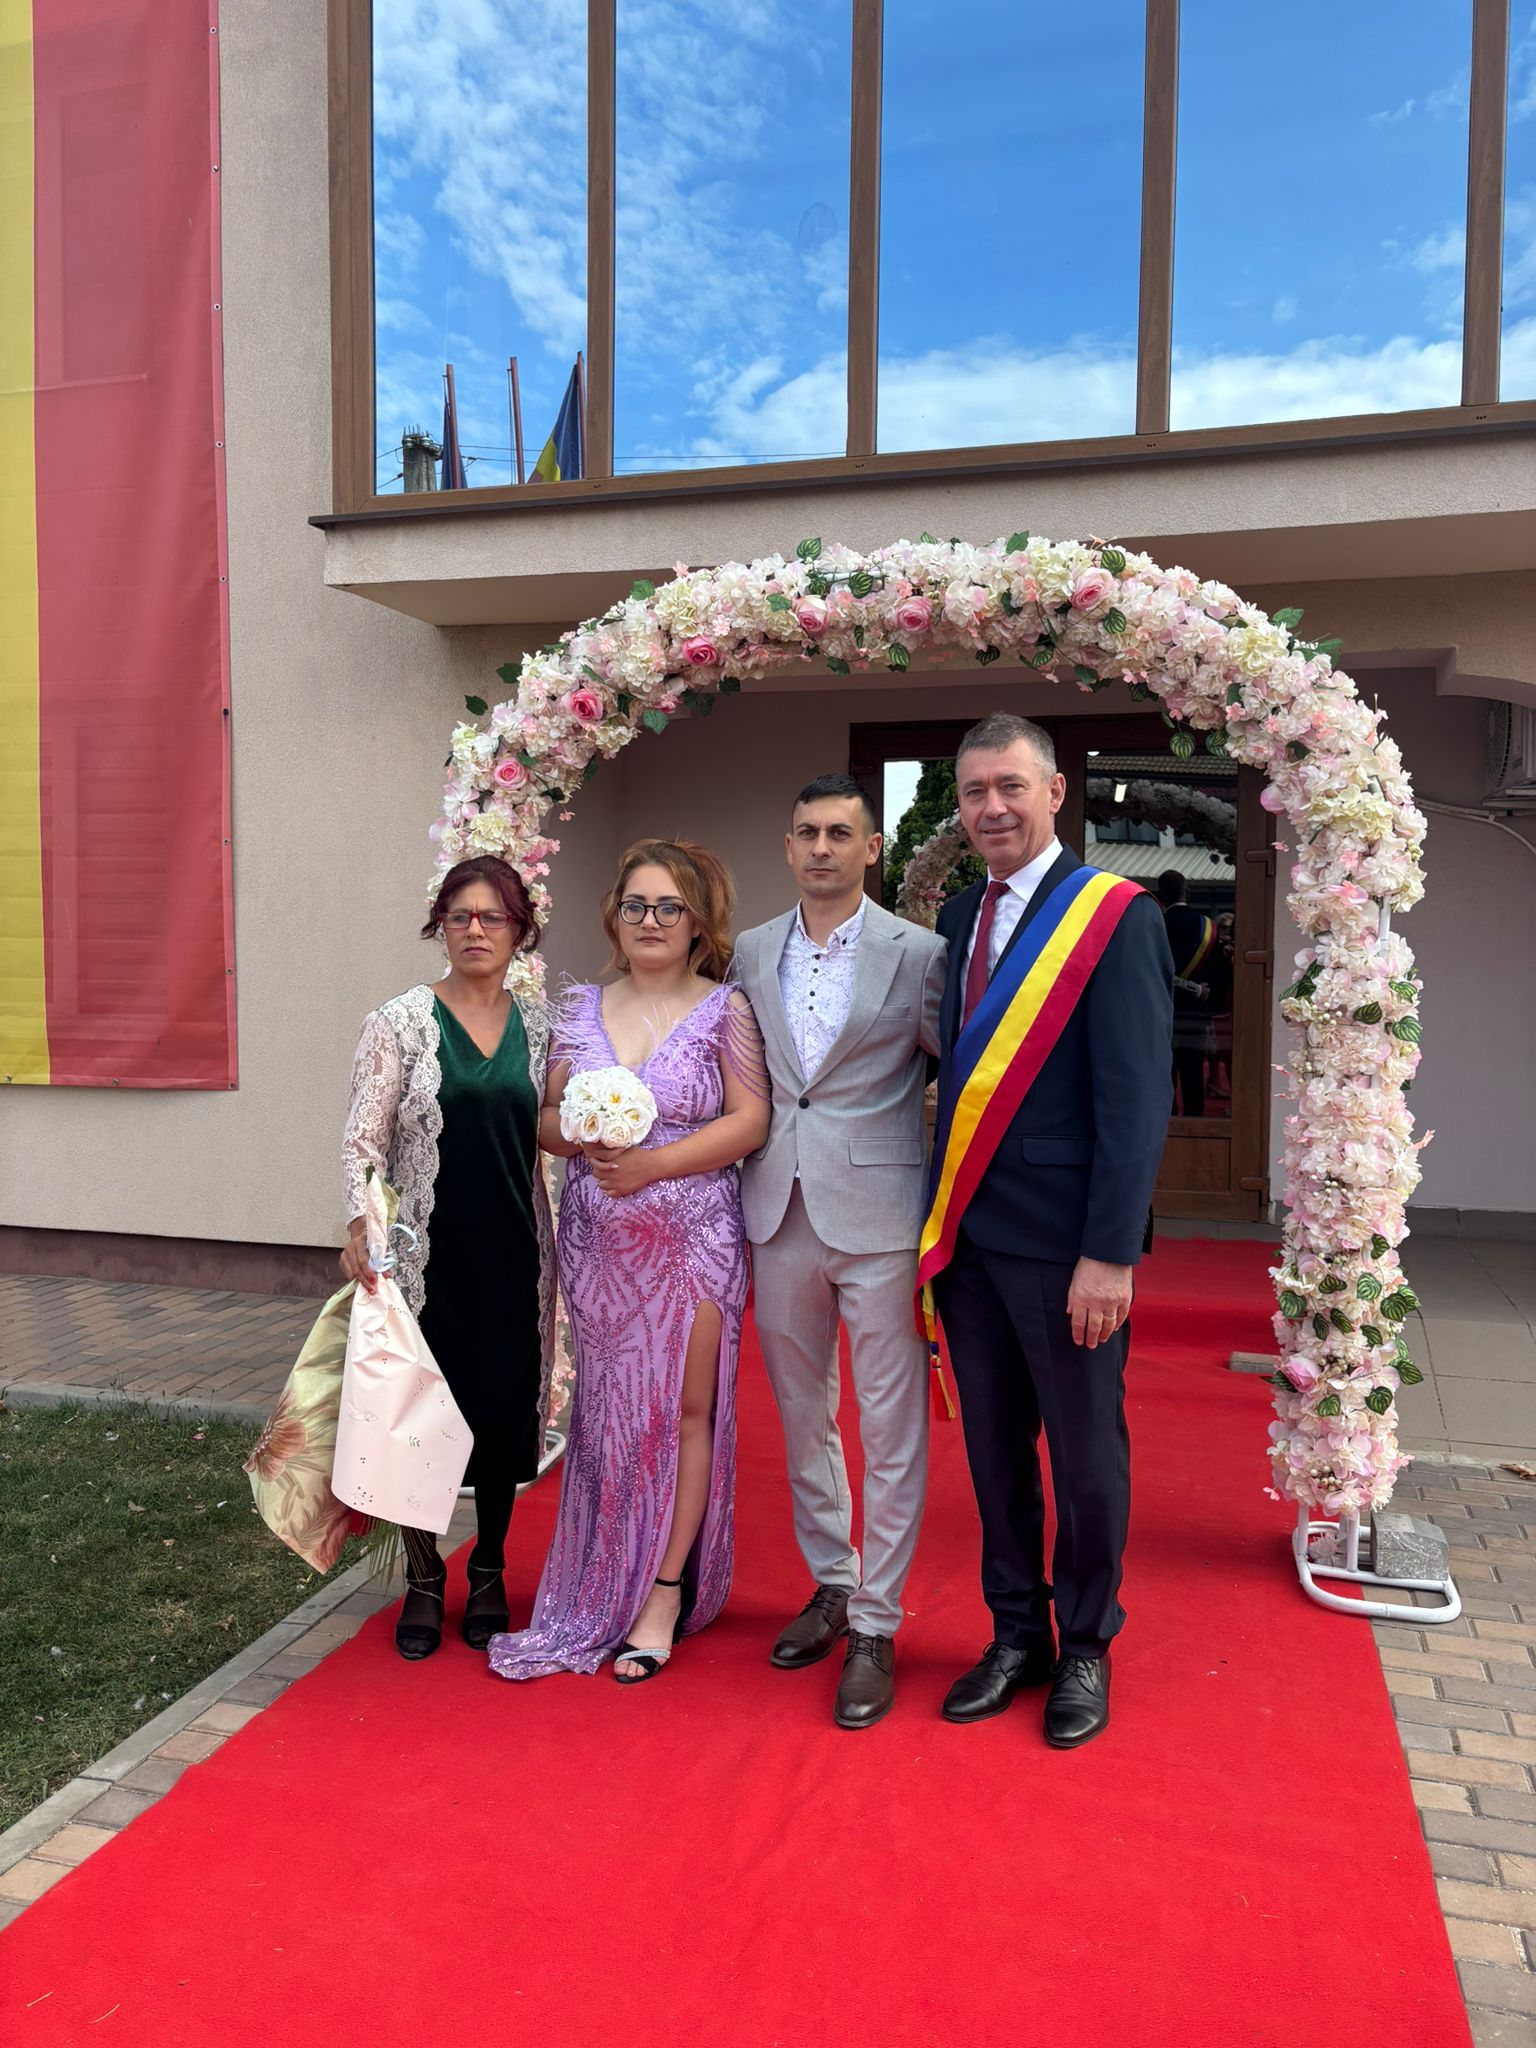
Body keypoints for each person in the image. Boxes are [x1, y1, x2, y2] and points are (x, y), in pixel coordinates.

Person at [927, 714, 1173, 1749]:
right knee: (994, 1454)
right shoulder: (957, 916)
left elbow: (1136, 1101)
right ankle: (1016, 1632)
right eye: (974, 791)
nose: (992, 807)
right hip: (969, 1244)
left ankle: (1085, 1644)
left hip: (1068, 1246)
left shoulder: (1115, 917)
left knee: (1083, 1456)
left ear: (1056, 791)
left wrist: (1109, 1253)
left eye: (1011, 786)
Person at [488, 839, 770, 1684]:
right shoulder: (579, 1010)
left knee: (686, 1412)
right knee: (612, 1419)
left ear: (698, 923)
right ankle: (601, 1578)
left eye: (669, 907)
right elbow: (545, 1120)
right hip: (601, 1247)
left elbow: (750, 1120)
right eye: (636, 905)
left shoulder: (725, 1011)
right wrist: (586, 1133)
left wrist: (653, 1164)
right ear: (615, 916)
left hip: (695, 1243)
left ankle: (664, 1589)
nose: (650, 921)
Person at [732, 774, 947, 1730]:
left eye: (839, 833)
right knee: (801, 1413)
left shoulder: (921, 954)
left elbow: (960, 1074)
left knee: (890, 1426)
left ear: (872, 848)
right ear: (788, 847)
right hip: (777, 1206)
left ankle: (877, 1622)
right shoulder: (750, 950)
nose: (821, 848)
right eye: (807, 832)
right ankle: (832, 1580)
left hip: (882, 1215)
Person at [339, 854, 558, 1660]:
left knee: (500, 1414)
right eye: (459, 915)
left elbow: (559, 1126)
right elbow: (363, 1142)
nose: (475, 930)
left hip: (516, 1254)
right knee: (418, 1419)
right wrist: (362, 1224)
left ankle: (490, 1567)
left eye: (492, 916)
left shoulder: (543, 1029)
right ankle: (426, 1577)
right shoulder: (399, 1022)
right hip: (424, 1258)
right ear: (441, 925)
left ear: (519, 931)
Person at [1156, 868, 1214, 1117]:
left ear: (1160, 896)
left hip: (1162, 1011)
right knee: (1193, 1075)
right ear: (1187, 892)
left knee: (1164, 1076)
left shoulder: (1157, 925)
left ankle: (1166, 1124)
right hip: (1196, 1013)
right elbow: (1217, 973)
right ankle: (1195, 1122)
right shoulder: (1207, 926)